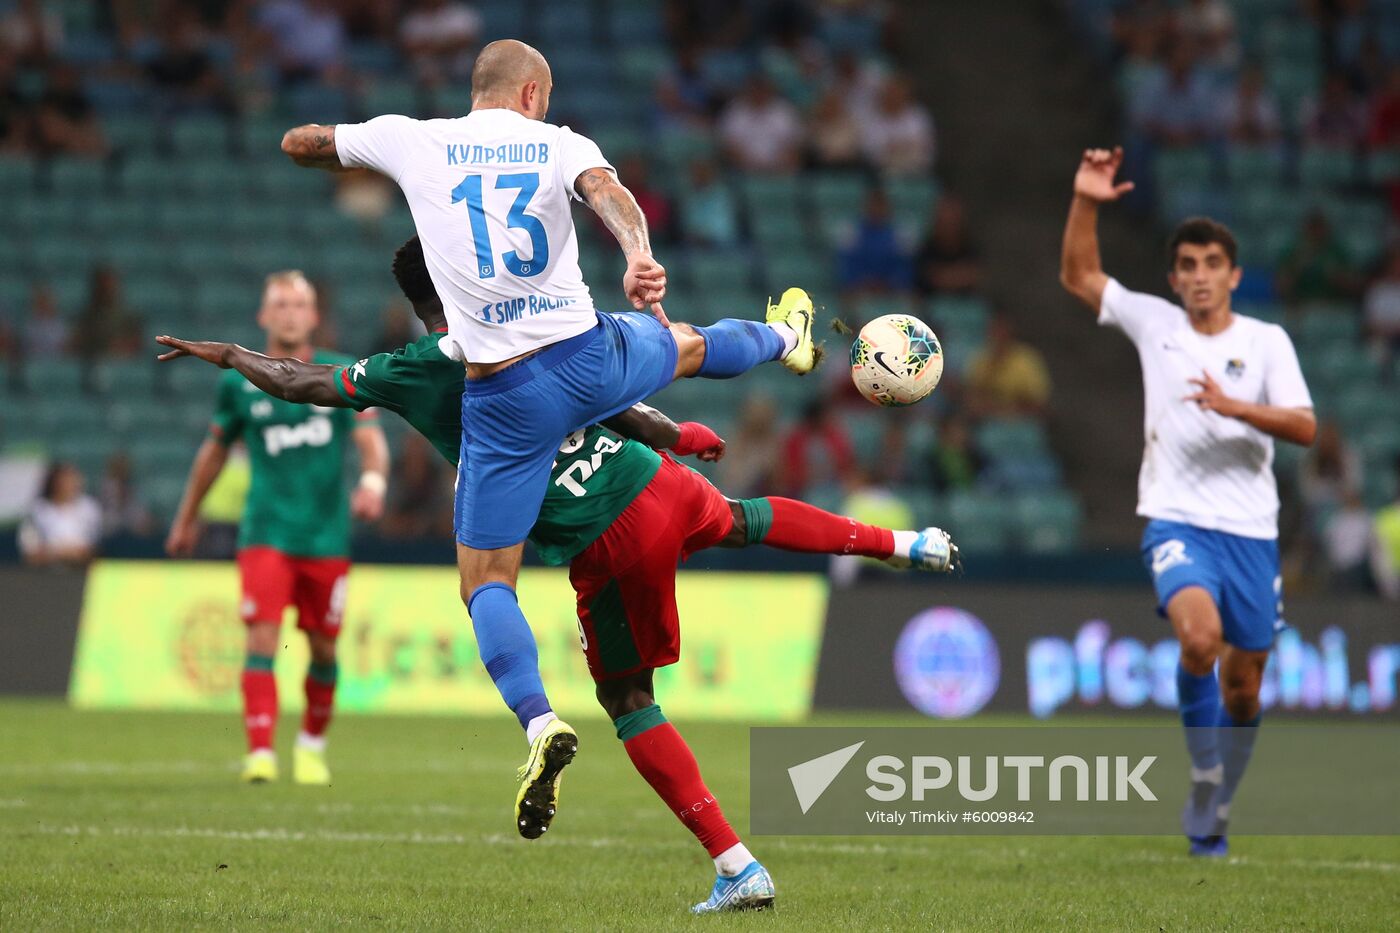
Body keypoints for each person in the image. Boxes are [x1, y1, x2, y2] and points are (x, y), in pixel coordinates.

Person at [156, 235, 959, 913]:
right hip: (653, 477)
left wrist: (228, 354)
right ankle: (903, 542)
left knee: (622, 695)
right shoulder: (536, 328)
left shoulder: (410, 366)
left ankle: (731, 861)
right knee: (744, 516)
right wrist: (675, 434)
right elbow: (613, 398)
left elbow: (303, 382)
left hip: (603, 536)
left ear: (416, 307)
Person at [279, 39, 817, 854]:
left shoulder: (412, 137)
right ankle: (787, 335)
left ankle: (540, 719)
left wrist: (341, 147)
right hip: (590, 355)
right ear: (533, 93)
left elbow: (303, 145)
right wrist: (639, 257)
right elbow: (610, 194)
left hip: (506, 390)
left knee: (486, 578)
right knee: (695, 344)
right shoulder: (562, 142)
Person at [1059, 147, 1316, 858]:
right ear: (1173, 278)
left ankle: (1219, 797)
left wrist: (1237, 406)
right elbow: (1080, 275)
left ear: (1232, 274)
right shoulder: (1155, 324)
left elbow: (1305, 425)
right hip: (1176, 520)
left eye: (1213, 264)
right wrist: (1086, 199)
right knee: (1199, 639)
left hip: (1251, 533)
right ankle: (1203, 773)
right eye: (1188, 265)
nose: (1200, 276)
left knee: (1245, 689)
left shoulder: (1266, 342)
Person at [164, 270, 389, 787]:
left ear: (313, 315)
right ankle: (260, 751)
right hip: (266, 533)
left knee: (324, 648)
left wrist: (374, 482)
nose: (289, 313)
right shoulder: (236, 379)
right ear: (264, 316)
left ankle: (311, 746)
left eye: (299, 304)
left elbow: (371, 439)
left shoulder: (339, 370)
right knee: (261, 640)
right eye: (280, 305)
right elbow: (214, 452)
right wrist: (186, 518)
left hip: (326, 537)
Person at [965, 314, 1052, 418]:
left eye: (1003, 332)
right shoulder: (981, 358)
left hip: (1022, 420)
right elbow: (970, 397)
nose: (999, 337)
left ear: (1010, 333)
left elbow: (1039, 402)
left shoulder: (1026, 359)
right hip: (988, 420)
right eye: (995, 332)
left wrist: (1011, 409)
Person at [18, 462, 101, 568]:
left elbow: (96, 550)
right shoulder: (37, 511)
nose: (68, 485)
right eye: (63, 480)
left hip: (83, 574)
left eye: (72, 480)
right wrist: (58, 553)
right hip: (44, 575)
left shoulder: (90, 508)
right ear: (53, 482)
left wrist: (75, 554)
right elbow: (30, 554)